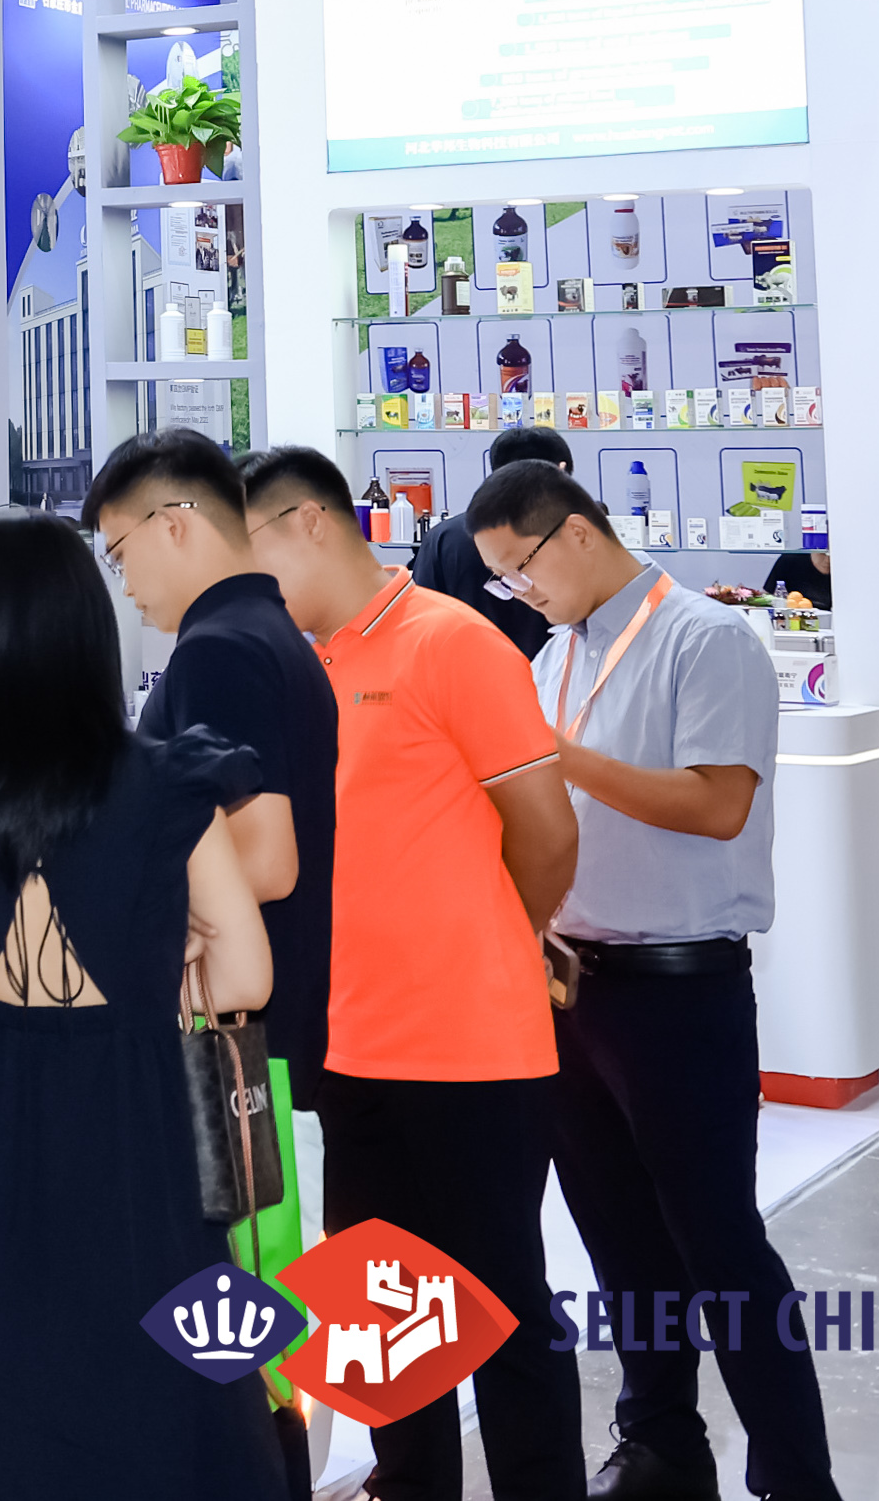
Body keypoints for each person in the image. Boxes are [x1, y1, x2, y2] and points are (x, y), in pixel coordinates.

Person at [0, 507, 280, 1498]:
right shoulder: (164, 780)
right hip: (131, 1092)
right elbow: (245, 977)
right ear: (86, 627)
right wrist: (163, 956)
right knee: (164, 1335)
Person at [468, 464, 841, 1501]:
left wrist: (557, 756)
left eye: (520, 569)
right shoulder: (553, 655)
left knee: (718, 1244)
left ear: (576, 535)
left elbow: (716, 805)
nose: (519, 592)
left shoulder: (704, 638)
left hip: (679, 989)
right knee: (618, 1240)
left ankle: (796, 1476)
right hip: (570, 987)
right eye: (502, 581)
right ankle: (661, 1444)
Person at [240, 446, 585, 1501]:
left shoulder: (450, 640)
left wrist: (492, 936)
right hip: (352, 1044)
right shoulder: (306, 669)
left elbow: (545, 832)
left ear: (307, 522)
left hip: (471, 1044)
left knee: (502, 1305)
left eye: (247, 552)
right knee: (381, 1313)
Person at [83, 428, 336, 1101]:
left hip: (237, 1033)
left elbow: (264, 861)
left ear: (171, 525)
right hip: (279, 1019)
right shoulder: (267, 630)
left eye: (119, 555)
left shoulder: (219, 650)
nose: (125, 586)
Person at [410, 423, 575, 661]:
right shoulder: (575, 535)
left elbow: (422, 619)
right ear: (561, 473)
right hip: (560, 675)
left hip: (467, 673)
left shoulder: (445, 537)